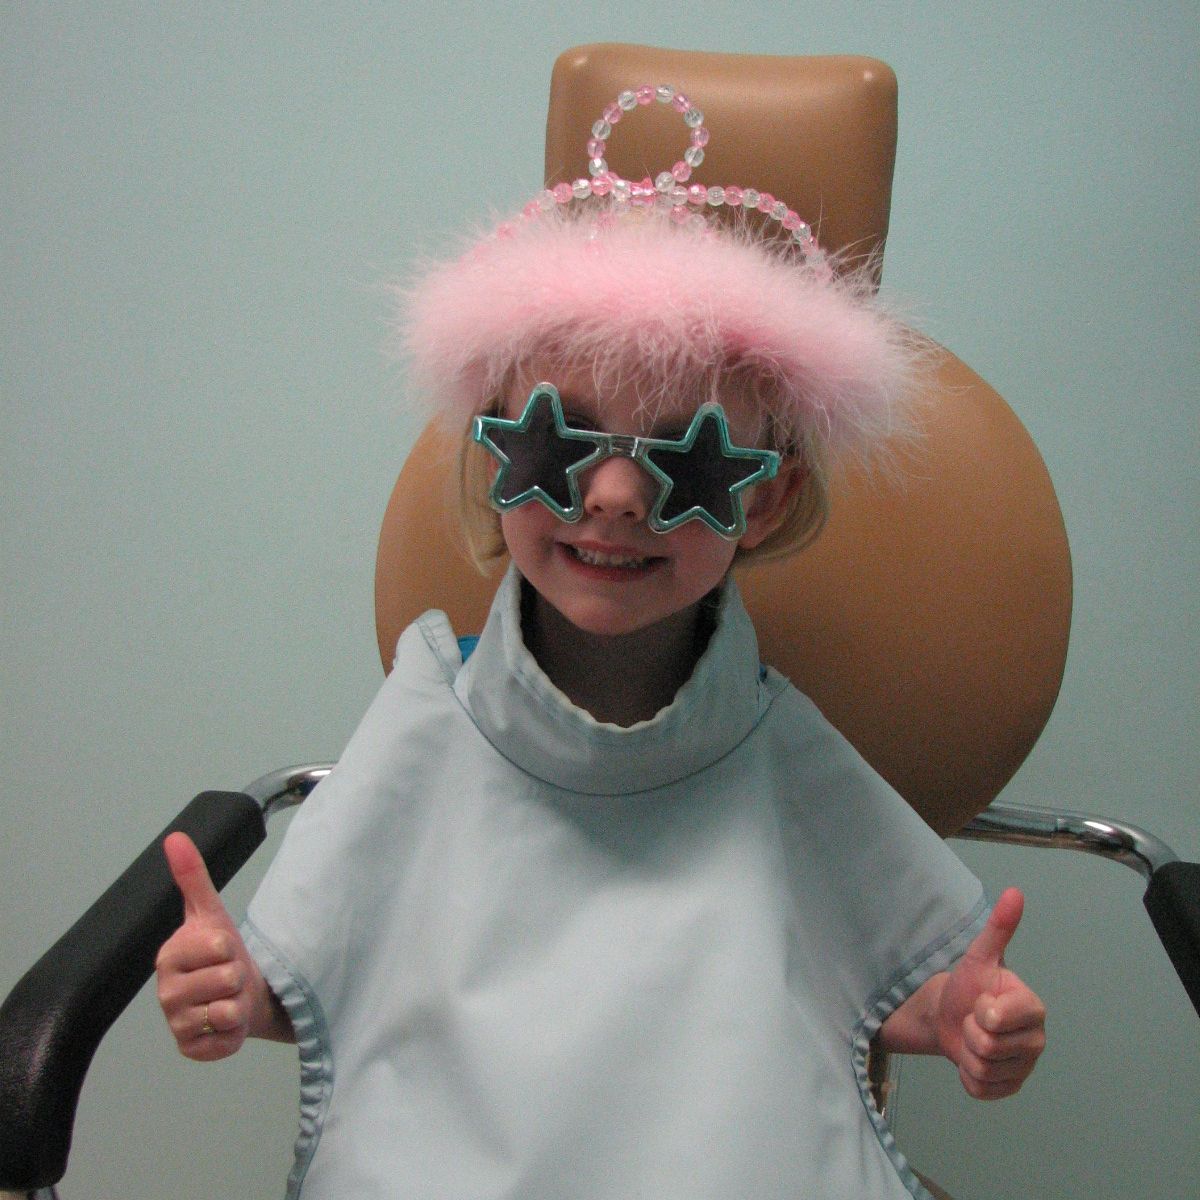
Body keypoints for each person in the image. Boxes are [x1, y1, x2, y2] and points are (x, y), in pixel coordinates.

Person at [155, 83, 1045, 1199]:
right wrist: (233, 992)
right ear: (493, 459)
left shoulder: (777, 750)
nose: (617, 496)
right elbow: (320, 975)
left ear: (762, 504)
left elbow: (877, 977)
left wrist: (958, 1017)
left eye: (692, 455)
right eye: (558, 439)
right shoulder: (435, 718)